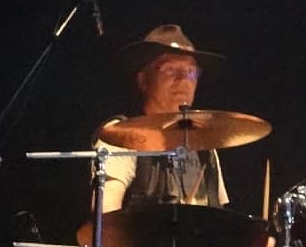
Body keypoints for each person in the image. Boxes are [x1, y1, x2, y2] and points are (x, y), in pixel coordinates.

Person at [93, 23, 230, 213]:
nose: (183, 80)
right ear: (143, 80)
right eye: (170, 69)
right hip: (142, 242)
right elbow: (106, 219)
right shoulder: (121, 134)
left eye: (191, 72)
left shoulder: (204, 142)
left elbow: (220, 221)